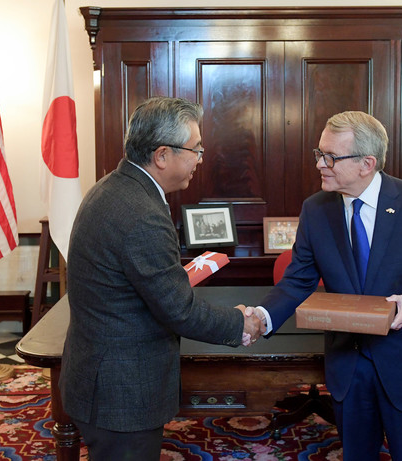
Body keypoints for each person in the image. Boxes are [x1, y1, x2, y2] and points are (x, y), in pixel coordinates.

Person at [253, 111, 402, 460]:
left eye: (331, 157)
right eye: (318, 154)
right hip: (349, 367)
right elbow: (297, 280)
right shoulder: (315, 210)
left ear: (367, 163)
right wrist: (262, 316)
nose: (320, 164)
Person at [59, 96, 263, 461]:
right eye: (196, 150)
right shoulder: (141, 214)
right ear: (162, 155)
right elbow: (179, 311)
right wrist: (241, 323)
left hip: (99, 376)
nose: (200, 160)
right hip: (120, 394)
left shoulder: (115, 187)